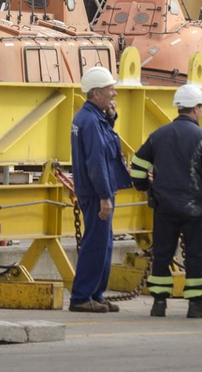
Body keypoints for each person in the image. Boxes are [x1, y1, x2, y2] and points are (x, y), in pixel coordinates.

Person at [130, 83, 202, 320]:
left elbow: (137, 166)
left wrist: (145, 187)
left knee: (163, 253)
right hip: (195, 209)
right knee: (195, 255)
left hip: (164, 207)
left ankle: (159, 303)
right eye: (201, 108)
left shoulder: (159, 135)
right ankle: (196, 305)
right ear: (195, 108)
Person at [69, 66, 130, 314]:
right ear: (95, 93)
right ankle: (82, 296)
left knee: (103, 243)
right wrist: (105, 196)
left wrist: (111, 119)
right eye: (110, 90)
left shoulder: (91, 117)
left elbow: (103, 148)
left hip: (96, 190)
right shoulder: (90, 121)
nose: (114, 94)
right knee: (96, 243)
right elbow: (97, 161)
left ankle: (96, 293)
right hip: (96, 193)